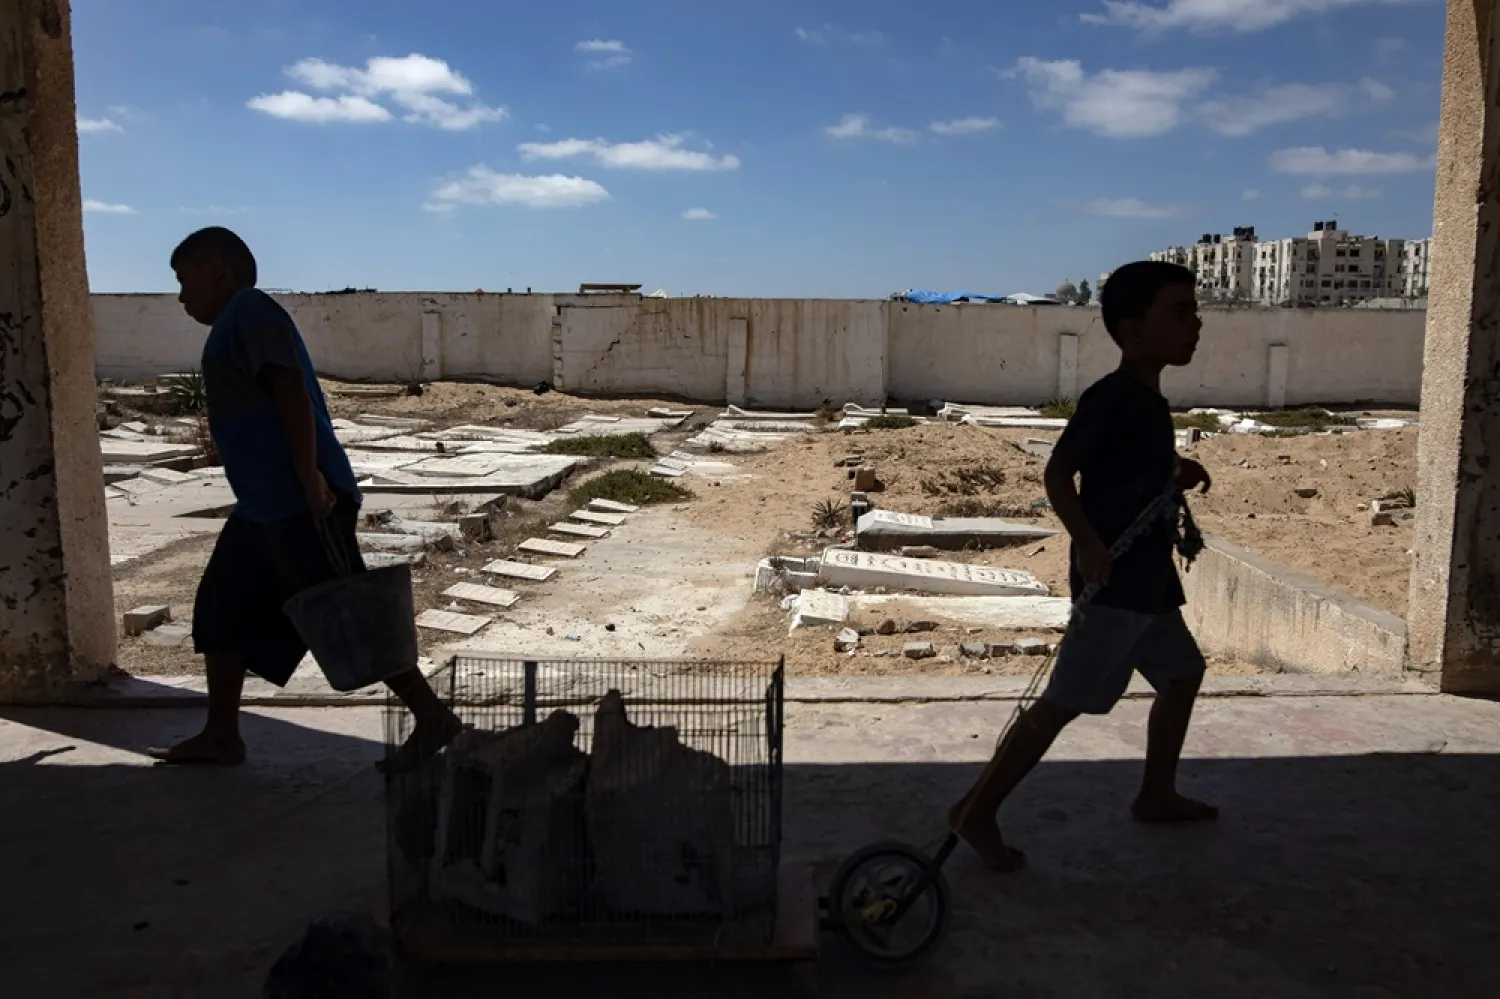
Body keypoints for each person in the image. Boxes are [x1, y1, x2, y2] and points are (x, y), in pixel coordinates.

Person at [147, 227, 461, 772]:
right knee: (221, 611)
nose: (180, 295)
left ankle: (432, 716)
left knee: (347, 614)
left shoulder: (248, 311)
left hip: (296, 501)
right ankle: (221, 736)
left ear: (215, 269)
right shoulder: (235, 322)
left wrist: (309, 478)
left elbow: (289, 391)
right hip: (263, 507)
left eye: (183, 278)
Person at [948, 260, 1216, 872]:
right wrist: (1088, 545)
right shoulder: (1111, 399)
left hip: (1149, 584)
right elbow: (1057, 473)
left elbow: (1131, 473)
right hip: (1116, 586)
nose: (1195, 324)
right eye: (1179, 312)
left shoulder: (1149, 402)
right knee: (1061, 702)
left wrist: (1175, 474)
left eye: (1194, 311)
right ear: (1131, 330)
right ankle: (975, 808)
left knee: (1182, 675)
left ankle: (1156, 793)